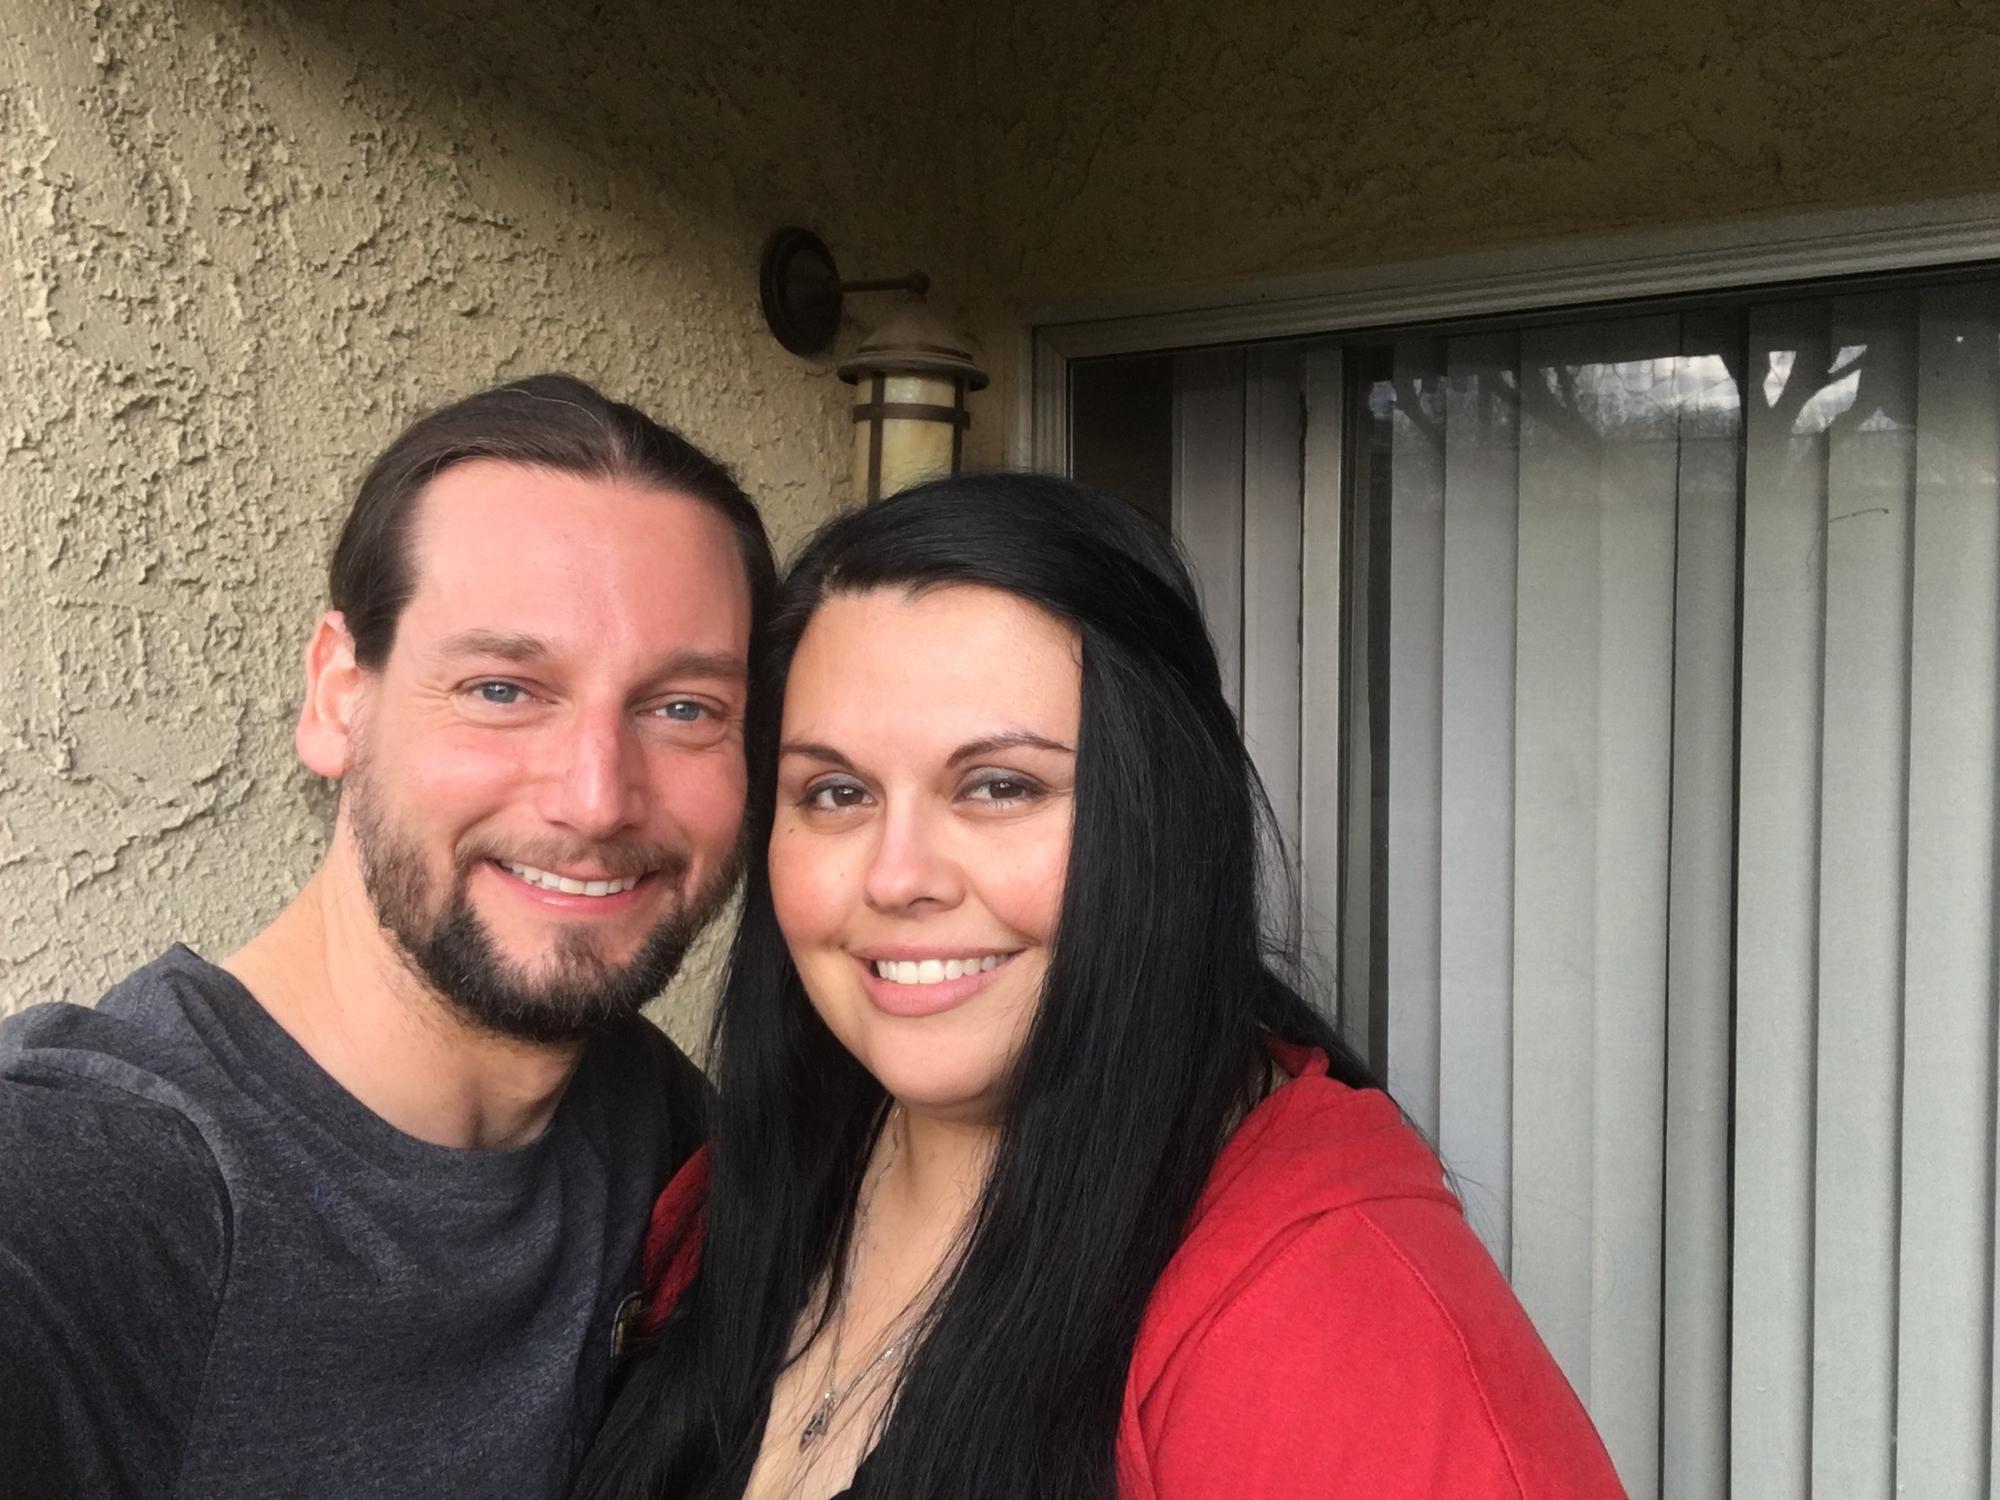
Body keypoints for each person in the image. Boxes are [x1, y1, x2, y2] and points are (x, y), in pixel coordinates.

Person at [573, 472, 1627, 1500]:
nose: (896, 878)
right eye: (837, 792)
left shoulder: (1326, 1308)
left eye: (999, 786)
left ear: (1163, 817)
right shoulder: (733, 1195)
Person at [0, 374, 776, 1499]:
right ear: (337, 696)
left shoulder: (657, 1131)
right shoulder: (80, 1191)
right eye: (503, 688)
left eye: (684, 709)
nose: (598, 799)